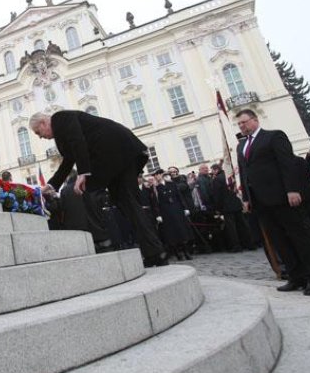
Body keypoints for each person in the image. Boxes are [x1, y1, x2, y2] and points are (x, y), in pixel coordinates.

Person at [30, 110, 167, 266]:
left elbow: (78, 141)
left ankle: (106, 241)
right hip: (116, 156)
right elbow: (68, 160)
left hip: (117, 151)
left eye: (38, 132)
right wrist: (51, 185)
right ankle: (155, 252)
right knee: (127, 203)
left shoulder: (61, 118)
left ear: (43, 123)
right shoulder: (61, 132)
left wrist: (83, 172)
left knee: (115, 199)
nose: (41, 137)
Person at [235, 109, 310, 295]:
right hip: (260, 201)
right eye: (239, 124)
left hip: (282, 197)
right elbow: (244, 173)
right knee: (279, 241)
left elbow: (287, 164)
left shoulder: (274, 137)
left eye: (244, 122)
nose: (241, 126)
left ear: (255, 120)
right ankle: (295, 277)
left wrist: (292, 189)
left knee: (298, 237)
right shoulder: (241, 146)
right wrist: (246, 198)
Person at [150, 168, 192, 260]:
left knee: (182, 231)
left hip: (177, 210)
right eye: (156, 175)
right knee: (171, 234)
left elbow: (179, 197)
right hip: (166, 213)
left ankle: (186, 252)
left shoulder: (171, 184)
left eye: (159, 174)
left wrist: (185, 208)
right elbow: (155, 203)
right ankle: (178, 254)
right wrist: (158, 215)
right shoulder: (155, 188)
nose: (157, 176)